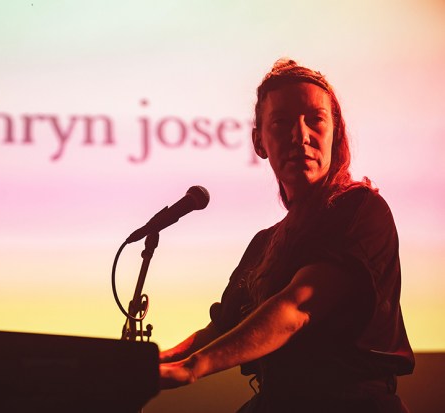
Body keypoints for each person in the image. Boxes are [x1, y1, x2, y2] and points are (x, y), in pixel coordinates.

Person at [158, 59, 414, 412]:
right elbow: (219, 330)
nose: (300, 136)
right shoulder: (264, 244)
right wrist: (153, 360)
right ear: (259, 141)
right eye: (281, 122)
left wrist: (192, 368)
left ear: (336, 133)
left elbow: (296, 307)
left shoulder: (360, 209)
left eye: (315, 120)